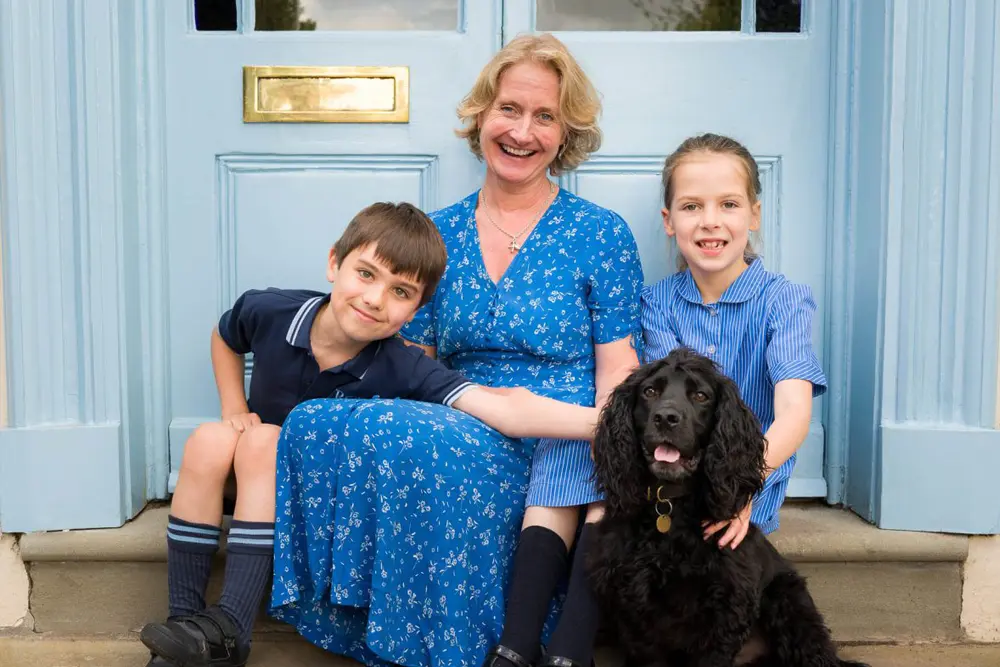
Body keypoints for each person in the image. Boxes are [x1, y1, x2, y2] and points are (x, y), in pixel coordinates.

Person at [270, 34, 643, 667]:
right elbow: (408, 359)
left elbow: (618, 367)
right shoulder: (437, 232)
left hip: (562, 436)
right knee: (311, 421)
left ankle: (466, 642)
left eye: (544, 116)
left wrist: (609, 444)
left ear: (565, 133)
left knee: (419, 441)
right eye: (509, 109)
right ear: (480, 117)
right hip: (463, 411)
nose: (522, 131)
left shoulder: (600, 233)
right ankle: (384, 627)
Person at [138, 202, 603, 667]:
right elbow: (225, 336)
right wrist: (233, 406)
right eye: (365, 274)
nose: (375, 299)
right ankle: (185, 626)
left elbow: (503, 408)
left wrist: (605, 425)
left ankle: (231, 629)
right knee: (209, 439)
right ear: (333, 263)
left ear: (416, 311)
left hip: (297, 491)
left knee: (265, 442)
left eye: (400, 291)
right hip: (244, 480)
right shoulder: (272, 309)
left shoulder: (401, 364)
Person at [641, 132, 827, 547]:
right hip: (678, 475)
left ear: (753, 215)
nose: (710, 220)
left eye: (728, 204)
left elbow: (794, 413)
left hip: (749, 480)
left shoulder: (784, 301)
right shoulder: (657, 304)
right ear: (669, 220)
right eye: (692, 206)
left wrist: (741, 486)